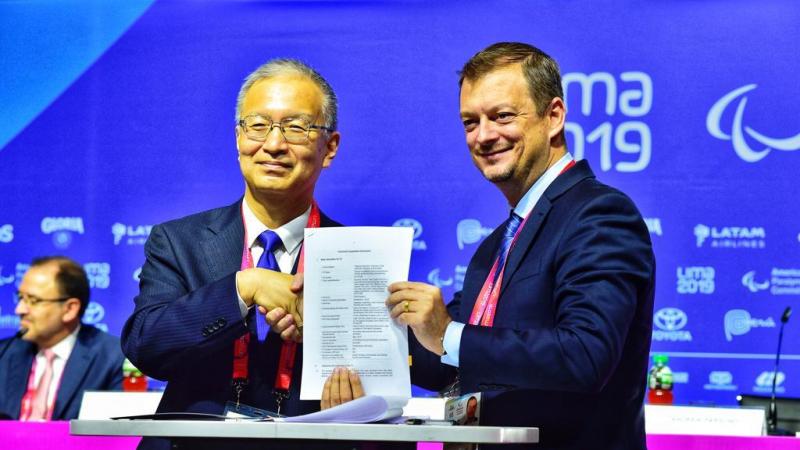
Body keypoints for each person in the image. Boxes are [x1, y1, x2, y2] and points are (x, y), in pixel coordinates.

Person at [386, 42, 656, 450]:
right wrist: (333, 335)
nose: (484, 135)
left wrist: (448, 333)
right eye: (470, 122)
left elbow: (585, 354)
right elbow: (449, 361)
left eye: (502, 116)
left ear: (554, 117)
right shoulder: (498, 242)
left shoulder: (599, 214)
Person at [120, 58, 359, 450]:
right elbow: (146, 346)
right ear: (238, 137)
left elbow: (385, 379)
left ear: (329, 147)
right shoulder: (179, 241)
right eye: (258, 125)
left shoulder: (358, 255)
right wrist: (244, 287)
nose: (274, 144)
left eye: (297, 127)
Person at [0, 256, 124, 420]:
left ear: (70, 309)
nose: (19, 309)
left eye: (33, 300)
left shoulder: (113, 358)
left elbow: (118, 437)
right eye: (21, 298)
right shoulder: (5, 354)